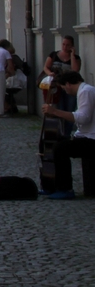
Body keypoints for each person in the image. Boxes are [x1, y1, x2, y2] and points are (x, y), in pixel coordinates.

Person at [42, 71, 95, 199]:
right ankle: (51, 186)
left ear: (68, 84)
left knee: (60, 149)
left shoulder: (86, 92)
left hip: (91, 139)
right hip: (86, 136)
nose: (64, 91)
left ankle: (65, 188)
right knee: (57, 143)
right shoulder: (85, 91)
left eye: (63, 87)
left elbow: (83, 118)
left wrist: (56, 111)